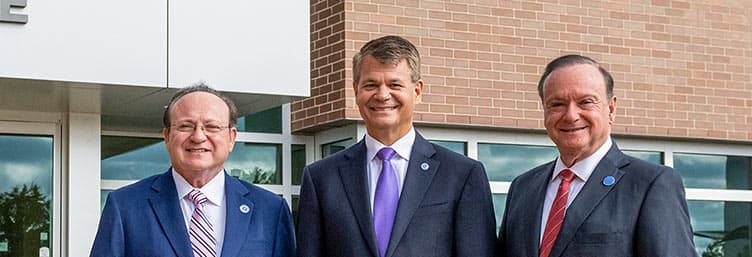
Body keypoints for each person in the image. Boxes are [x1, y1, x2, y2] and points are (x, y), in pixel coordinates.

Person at [297, 35, 496, 257]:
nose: (382, 95)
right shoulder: (321, 178)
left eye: (395, 84)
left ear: (417, 91)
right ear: (356, 90)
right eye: (371, 85)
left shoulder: (462, 175)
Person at [497, 55, 697, 257]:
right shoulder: (522, 188)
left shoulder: (650, 185)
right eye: (557, 104)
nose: (571, 115)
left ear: (611, 109)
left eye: (585, 102)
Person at [90, 84, 296, 257]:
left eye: (212, 126)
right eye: (186, 126)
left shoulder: (270, 210)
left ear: (231, 137)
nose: (198, 136)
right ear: (167, 136)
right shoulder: (125, 206)